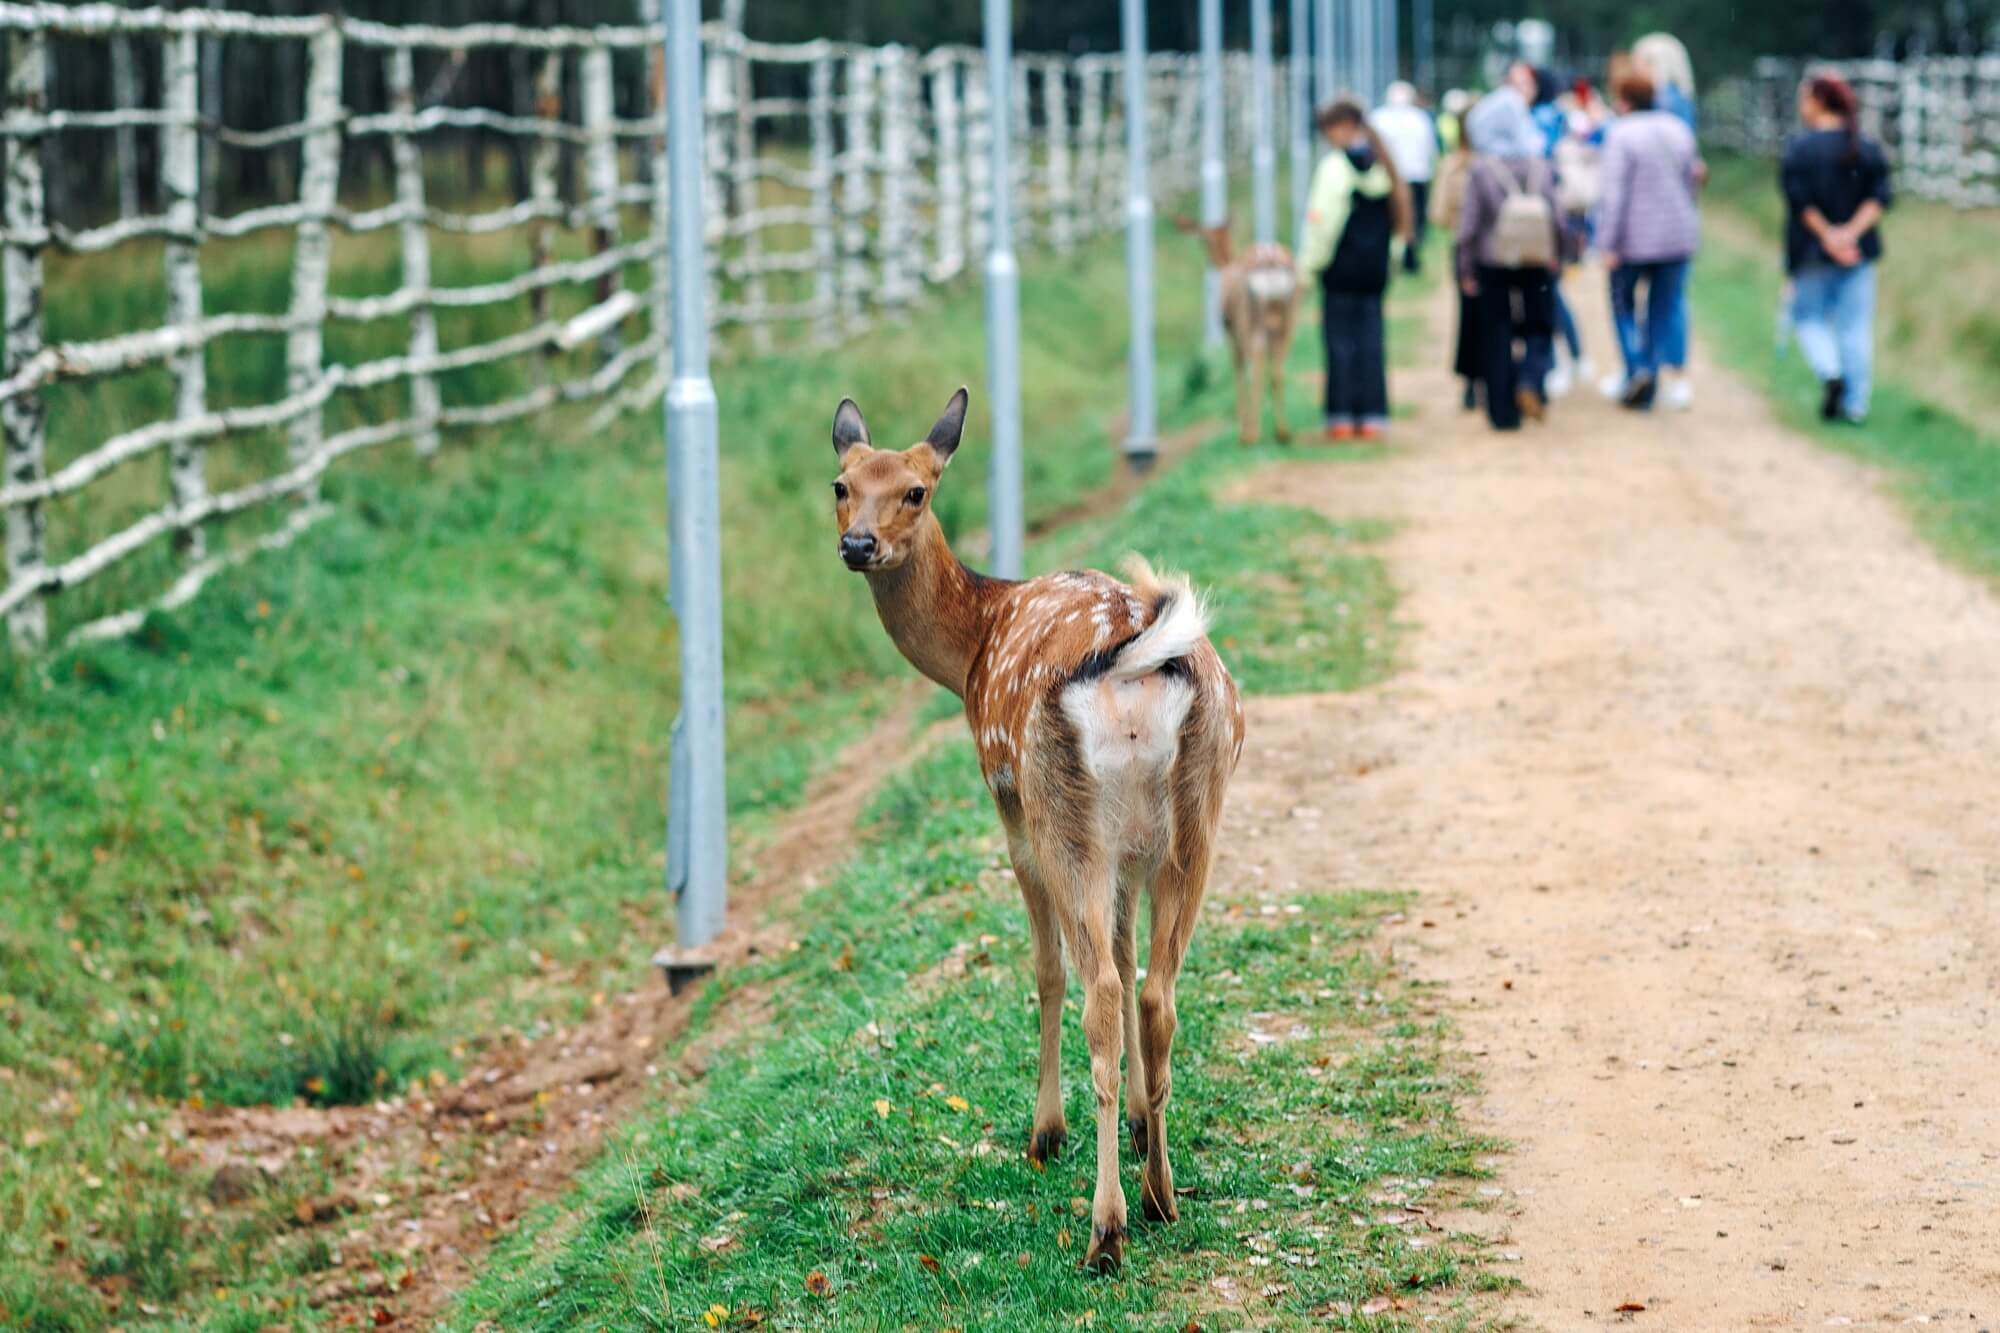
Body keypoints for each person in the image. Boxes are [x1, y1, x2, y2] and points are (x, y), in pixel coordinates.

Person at [1299, 99, 1414, 441]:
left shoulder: (1334, 169)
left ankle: (1341, 416)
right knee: (1371, 341)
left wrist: (1309, 266)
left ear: (1342, 125)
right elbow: (1398, 223)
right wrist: (1389, 263)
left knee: (1339, 342)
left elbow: (1322, 224)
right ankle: (1373, 416)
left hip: (1340, 271)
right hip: (1374, 271)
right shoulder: (1385, 164)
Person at [1781, 72, 1892, 423]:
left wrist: (1830, 235)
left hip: (1812, 252)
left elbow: (1799, 202)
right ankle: (1856, 404)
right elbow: (1880, 197)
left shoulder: (1800, 149)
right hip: (1858, 252)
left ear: (1817, 100)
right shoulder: (1866, 147)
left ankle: (1830, 373)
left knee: (1808, 318)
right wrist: (1851, 234)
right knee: (1855, 326)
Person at [1458, 81, 1563, 431]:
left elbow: (1469, 224)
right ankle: (1531, 380)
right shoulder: (1540, 165)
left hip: (1492, 260)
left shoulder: (1482, 168)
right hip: (1536, 258)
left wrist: (1465, 265)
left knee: (1497, 330)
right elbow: (1558, 216)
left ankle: (1503, 412)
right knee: (1539, 325)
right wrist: (1560, 254)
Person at [1596, 73, 1700, 411]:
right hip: (1677, 236)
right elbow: (1692, 182)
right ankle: (1651, 373)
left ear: (1625, 100)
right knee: (1661, 309)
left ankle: (1636, 367)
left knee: (1623, 304)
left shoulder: (1621, 134)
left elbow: (1614, 195)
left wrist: (1607, 242)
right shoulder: (1678, 130)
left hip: (1633, 240)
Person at [1429, 114, 1480, 410]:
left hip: (1464, 249)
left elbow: (1439, 213)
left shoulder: (1455, 165)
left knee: (1469, 316)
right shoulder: (1503, 162)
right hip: (1501, 252)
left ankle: (1471, 382)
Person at [1371, 82, 1438, 275]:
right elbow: (1430, 146)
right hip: (1415, 175)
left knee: (1390, 217)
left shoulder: (1379, 118)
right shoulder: (1420, 118)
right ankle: (1409, 255)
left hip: (1390, 178)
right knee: (1413, 218)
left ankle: (1394, 254)